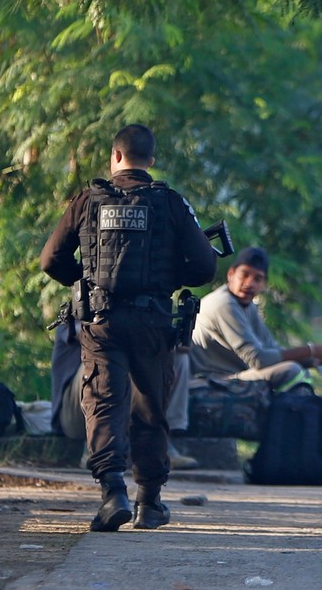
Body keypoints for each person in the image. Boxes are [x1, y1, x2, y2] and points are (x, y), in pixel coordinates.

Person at [40, 124, 216, 531]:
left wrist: (82, 281)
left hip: (101, 321)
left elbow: (50, 259)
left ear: (114, 157)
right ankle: (149, 502)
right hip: (153, 321)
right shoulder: (171, 202)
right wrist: (169, 277)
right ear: (150, 161)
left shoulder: (86, 200)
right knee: (149, 408)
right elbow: (205, 267)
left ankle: (112, 492)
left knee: (103, 403)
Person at [190, 246, 322, 392]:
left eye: (257, 279)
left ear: (264, 285)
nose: (249, 283)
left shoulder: (248, 306)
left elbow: (271, 349)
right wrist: (313, 350)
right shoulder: (223, 304)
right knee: (291, 371)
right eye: (244, 275)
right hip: (212, 380)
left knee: (299, 369)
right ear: (231, 274)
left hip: (235, 376)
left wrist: (313, 361)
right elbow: (258, 359)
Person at [49, 321, 199, 469]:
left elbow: (184, 347)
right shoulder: (81, 309)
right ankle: (96, 447)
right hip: (74, 416)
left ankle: (159, 444)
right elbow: (94, 336)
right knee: (107, 354)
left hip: (125, 413)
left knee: (177, 358)